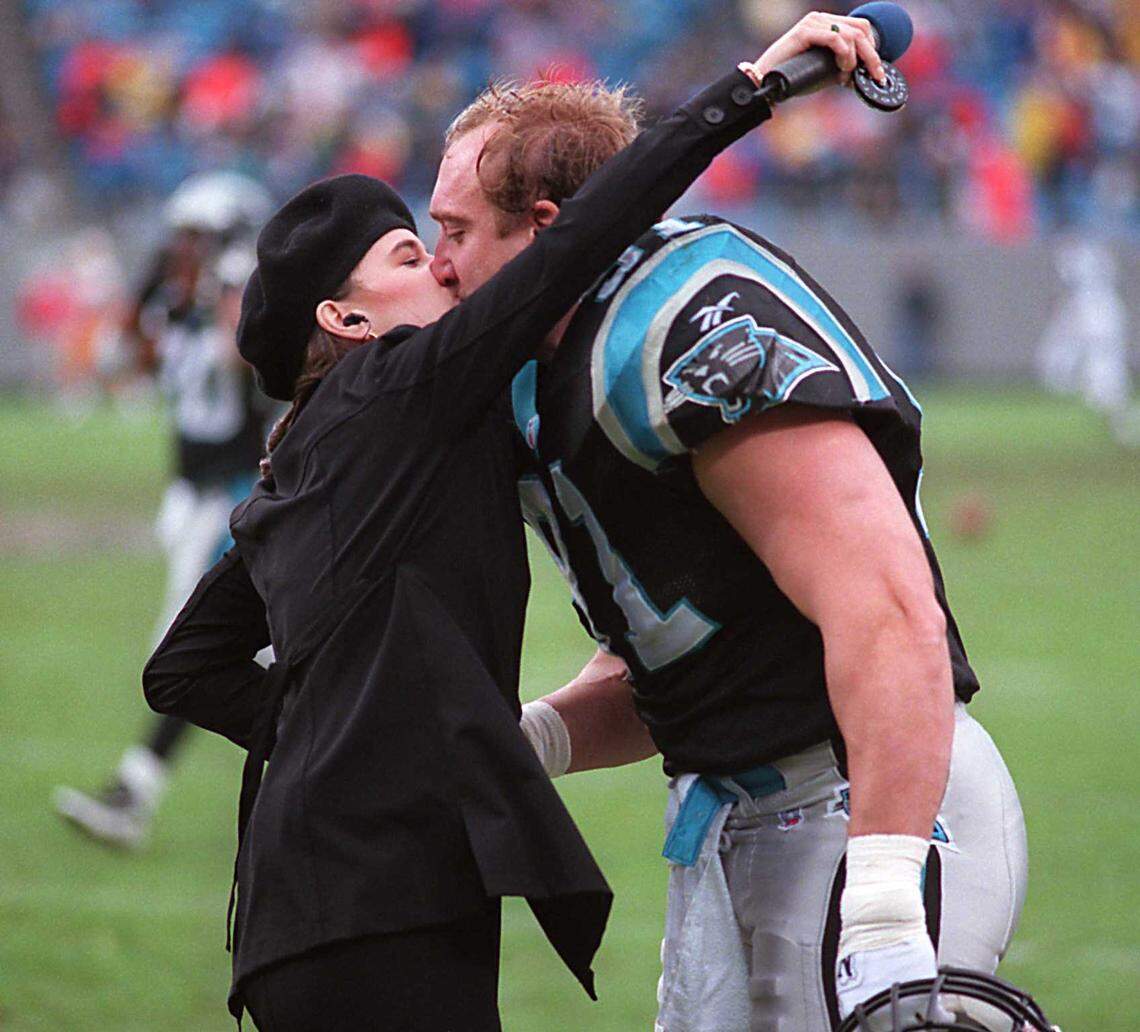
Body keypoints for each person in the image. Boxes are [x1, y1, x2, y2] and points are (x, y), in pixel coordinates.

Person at [142, 50, 785, 1029]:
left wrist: (351, 733)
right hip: (380, 912)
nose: (442, 266)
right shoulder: (401, 382)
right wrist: (757, 88)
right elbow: (577, 242)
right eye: (409, 255)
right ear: (347, 318)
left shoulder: (304, 456)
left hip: (293, 918)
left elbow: (182, 670)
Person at [425, 13, 1028, 1029]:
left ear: (540, 225)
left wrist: (881, 903)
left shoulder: (684, 321)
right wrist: (525, 743)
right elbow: (685, 659)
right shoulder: (532, 378)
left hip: (870, 805)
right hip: (732, 824)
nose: (439, 268)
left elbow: (885, 612)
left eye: (453, 232)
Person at [54, 172, 275, 849]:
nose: (181, 248)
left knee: (191, 650)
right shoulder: (181, 300)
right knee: (252, 655)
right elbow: (126, 363)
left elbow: (246, 357)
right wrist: (150, 298)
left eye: (195, 237)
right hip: (191, 495)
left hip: (234, 492)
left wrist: (222, 293)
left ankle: (133, 793)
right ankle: (315, 789)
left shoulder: (247, 296)